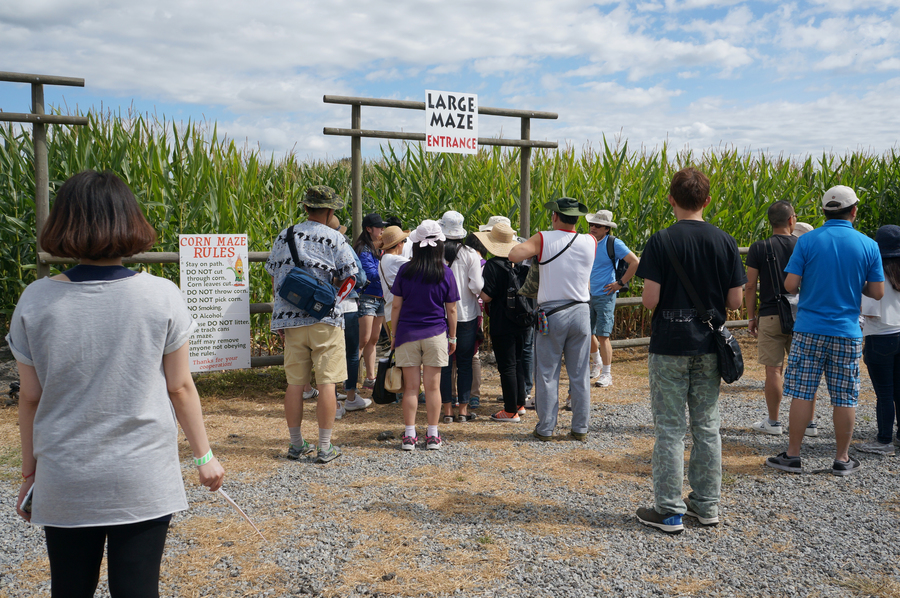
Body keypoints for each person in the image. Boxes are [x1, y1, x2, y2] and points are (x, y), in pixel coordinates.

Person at [8, 170, 225, 595]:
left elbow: (30, 398)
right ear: (130, 220)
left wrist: (29, 473)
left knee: (69, 588)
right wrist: (205, 459)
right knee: (138, 588)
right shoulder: (162, 295)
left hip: (65, 475)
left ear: (64, 223)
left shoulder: (35, 300)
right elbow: (179, 387)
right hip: (142, 475)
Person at [635, 167, 745, 534]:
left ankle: (668, 510)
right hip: (709, 346)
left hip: (669, 344)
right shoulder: (725, 241)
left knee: (669, 429)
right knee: (707, 426)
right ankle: (707, 505)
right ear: (707, 201)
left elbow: (650, 301)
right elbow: (734, 301)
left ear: (671, 199)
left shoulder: (660, 241)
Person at [767, 186, 884, 476]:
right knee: (845, 397)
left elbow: (790, 285)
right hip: (847, 330)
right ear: (854, 210)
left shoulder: (807, 242)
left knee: (803, 392)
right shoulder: (868, 245)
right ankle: (842, 459)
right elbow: (877, 292)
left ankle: (792, 455)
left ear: (824, 211)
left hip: (809, 328)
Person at [265, 185, 358, 464]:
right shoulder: (335, 238)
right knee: (327, 382)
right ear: (330, 211)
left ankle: (295, 445)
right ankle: (325, 447)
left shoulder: (284, 236)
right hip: (324, 320)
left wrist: (280, 317)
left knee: (295, 384)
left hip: (290, 321)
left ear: (305, 208)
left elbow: (275, 280)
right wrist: (333, 303)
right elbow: (351, 277)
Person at [508, 197, 596, 441]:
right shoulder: (591, 241)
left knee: (547, 373)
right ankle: (580, 428)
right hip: (581, 311)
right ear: (577, 218)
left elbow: (514, 255)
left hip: (552, 314)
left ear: (555, 216)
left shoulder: (544, 237)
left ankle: (546, 428)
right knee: (579, 373)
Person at [745, 201, 818, 436]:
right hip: (803, 315)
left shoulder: (759, 247)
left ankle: (774, 423)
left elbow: (749, 286)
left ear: (770, 221)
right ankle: (809, 424)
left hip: (770, 313)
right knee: (806, 369)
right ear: (791, 220)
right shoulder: (805, 244)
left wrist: (751, 317)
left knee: (773, 370)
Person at [391, 220, 460, 451]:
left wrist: (393, 335)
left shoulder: (404, 270)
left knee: (411, 388)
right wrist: (452, 337)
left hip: (407, 333)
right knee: (433, 388)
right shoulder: (446, 272)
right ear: (440, 245)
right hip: (436, 334)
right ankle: (433, 434)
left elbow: (396, 307)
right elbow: (451, 309)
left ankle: (409, 435)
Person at [476, 223, 532, 422]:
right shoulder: (519, 264)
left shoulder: (492, 265)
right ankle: (519, 403)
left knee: (506, 366)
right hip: (522, 319)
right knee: (517, 362)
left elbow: (487, 296)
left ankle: (510, 411)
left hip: (502, 320)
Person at [858, 225, 900, 456]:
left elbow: (871, 312)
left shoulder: (875, 271)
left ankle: (884, 440)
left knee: (883, 393)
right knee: (898, 390)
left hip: (880, 336)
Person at [585, 210, 639, 388]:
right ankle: (596, 363)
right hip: (586, 294)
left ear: (607, 229)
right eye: (591, 224)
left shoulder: (614, 243)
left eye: (597, 225)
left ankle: (607, 374)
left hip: (605, 295)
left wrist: (620, 283)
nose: (593, 227)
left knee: (603, 335)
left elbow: (635, 261)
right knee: (588, 332)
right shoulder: (587, 241)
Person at [439, 211, 483, 423]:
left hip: (440, 315)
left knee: (444, 365)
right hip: (467, 315)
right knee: (465, 363)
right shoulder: (471, 254)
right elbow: (477, 286)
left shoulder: (436, 253)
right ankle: (464, 411)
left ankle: (447, 411)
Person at [327, 216, 372, 416]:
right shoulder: (343, 245)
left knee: (327, 353)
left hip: (321, 306)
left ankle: (332, 400)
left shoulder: (310, 245)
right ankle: (351, 396)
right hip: (347, 304)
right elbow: (360, 277)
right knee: (351, 353)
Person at [355, 212, 386, 388]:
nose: (382, 230)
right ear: (368, 229)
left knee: (373, 339)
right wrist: (388, 264)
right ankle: (349, 378)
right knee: (363, 339)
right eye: (379, 227)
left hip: (379, 298)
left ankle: (370, 378)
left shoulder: (376, 249)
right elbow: (372, 274)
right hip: (366, 297)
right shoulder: (364, 250)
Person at [379, 225, 411, 337]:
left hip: (389, 312)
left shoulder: (382, 259)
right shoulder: (396, 260)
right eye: (404, 241)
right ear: (399, 243)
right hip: (400, 312)